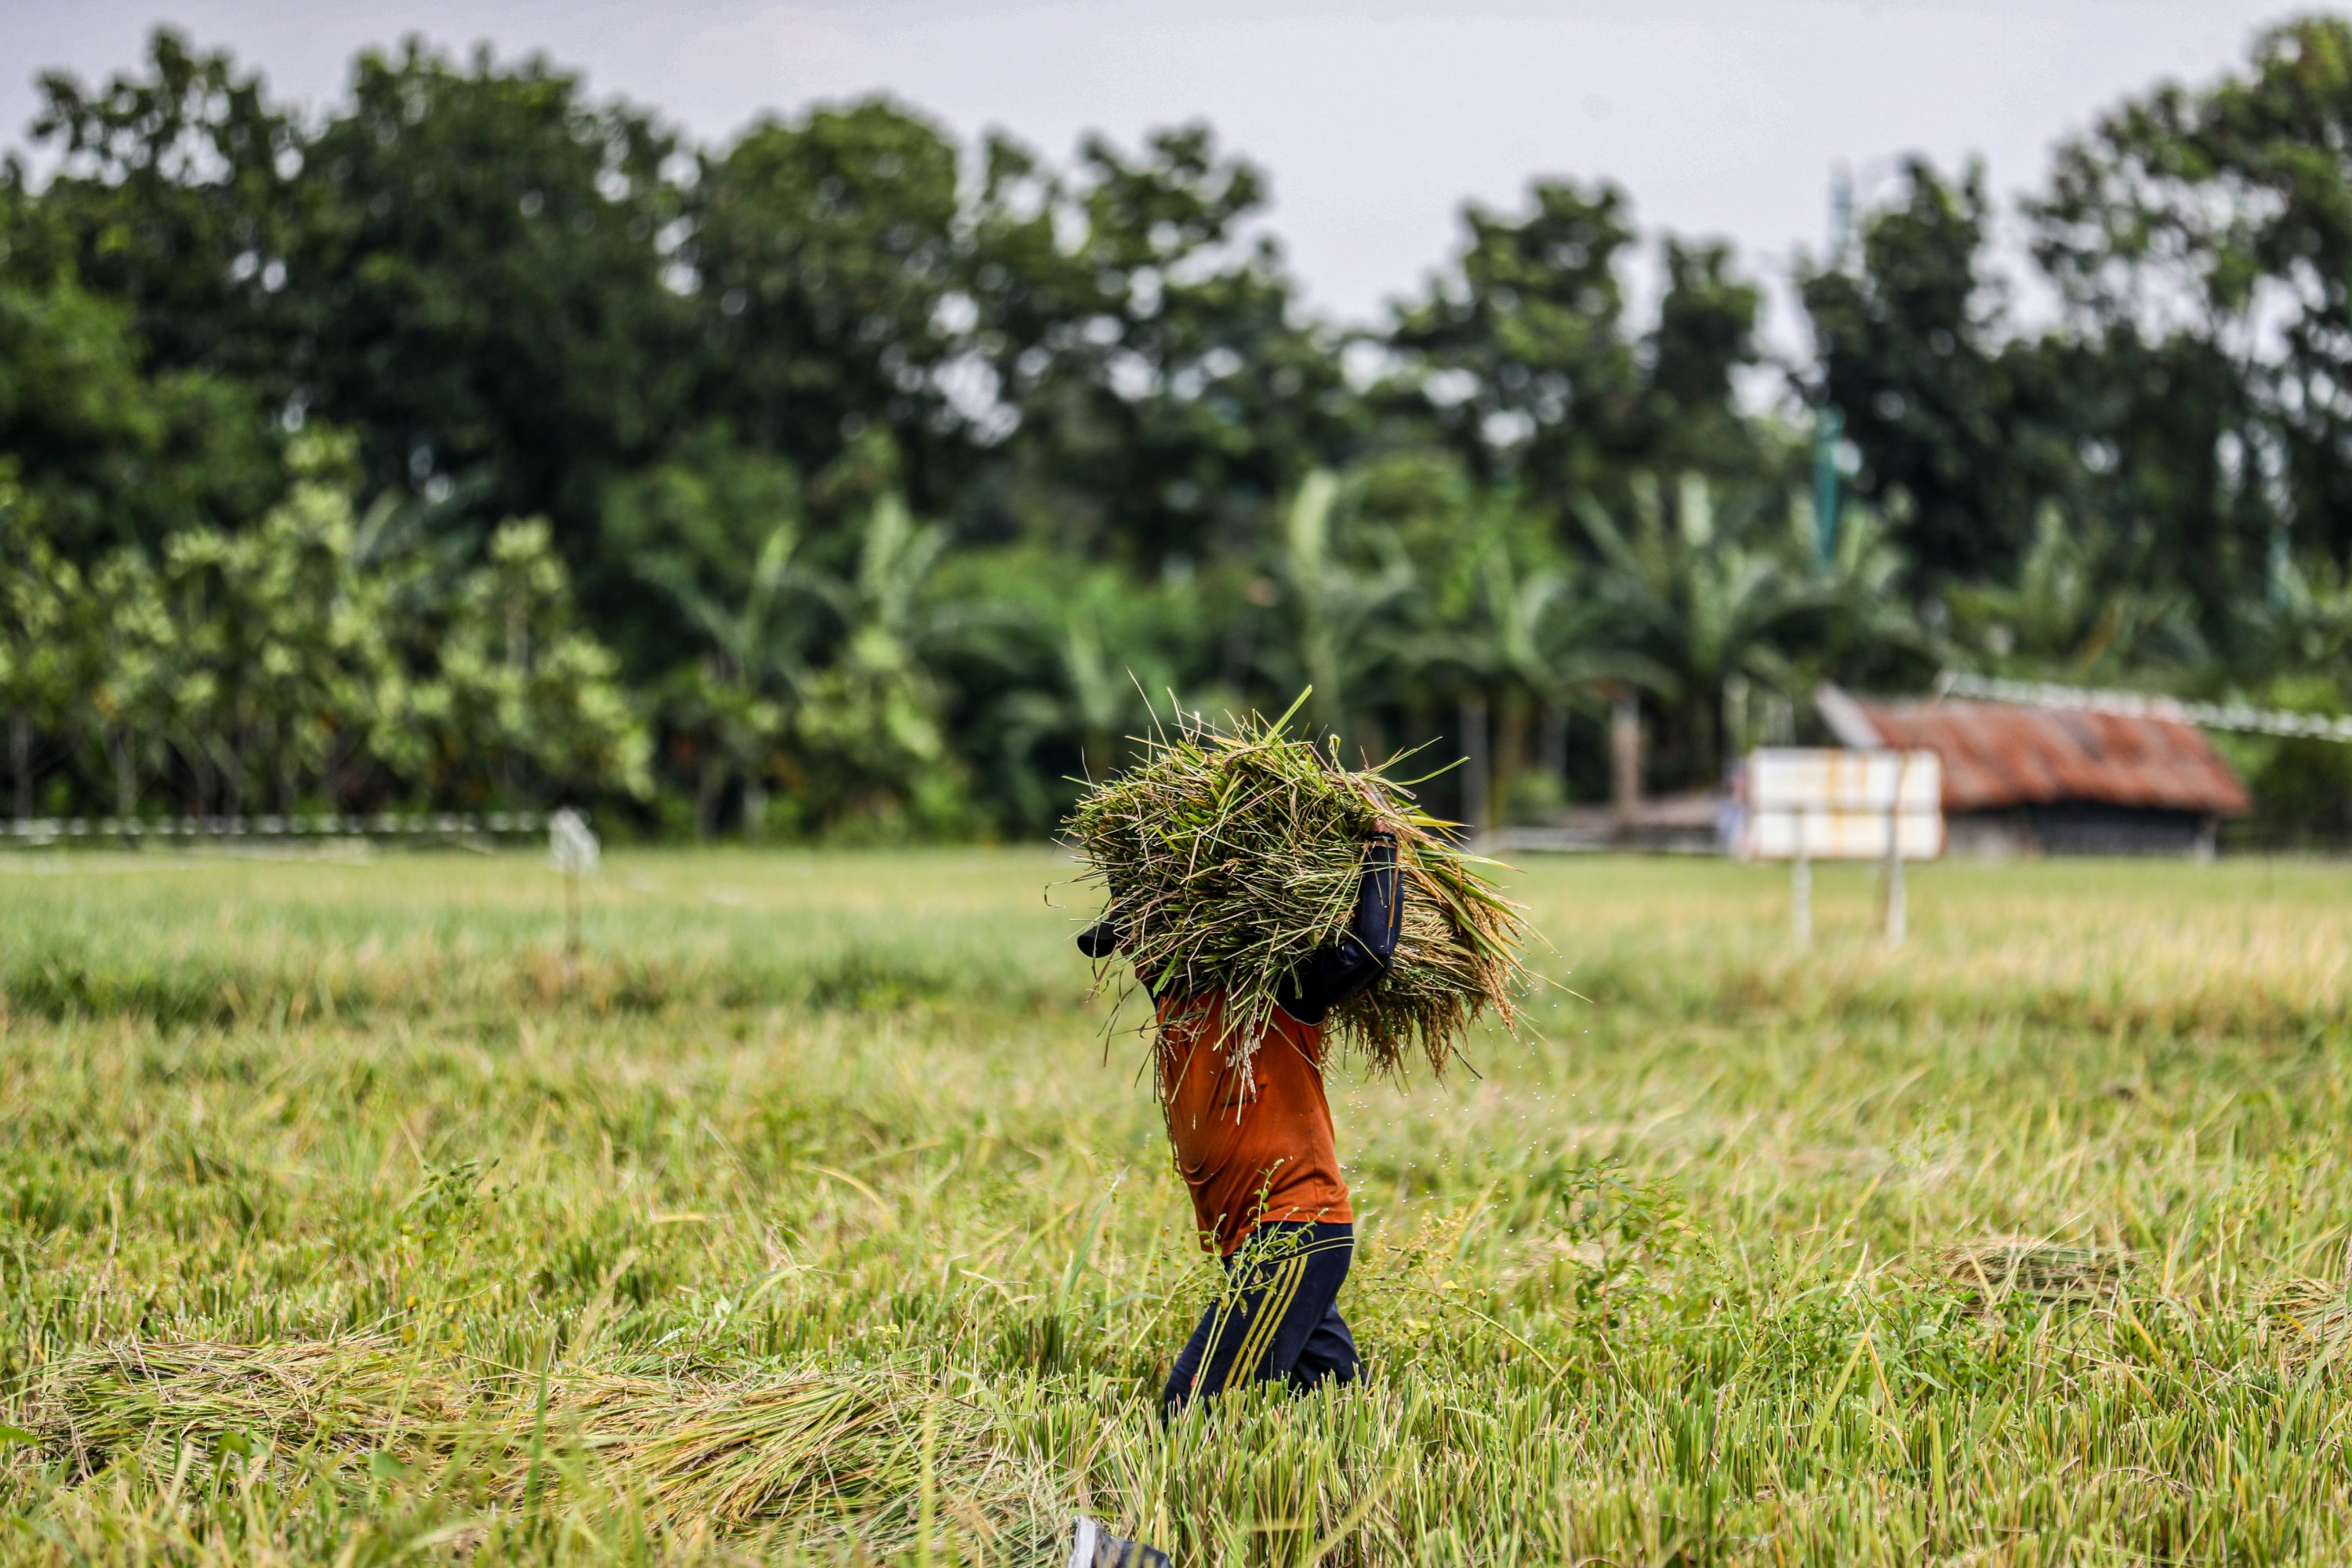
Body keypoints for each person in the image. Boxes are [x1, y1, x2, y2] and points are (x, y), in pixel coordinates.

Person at [1076, 833, 1402, 1418]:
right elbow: (1128, 933)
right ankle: (1346, 1502)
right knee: (1333, 1407)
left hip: (1294, 1232)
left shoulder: (1281, 998)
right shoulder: (1173, 997)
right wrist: (1130, 870)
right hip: (1254, 1240)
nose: (1152, 954)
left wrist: (1380, 847)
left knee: (1195, 1405)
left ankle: (1147, 1512)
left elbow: (1368, 953)